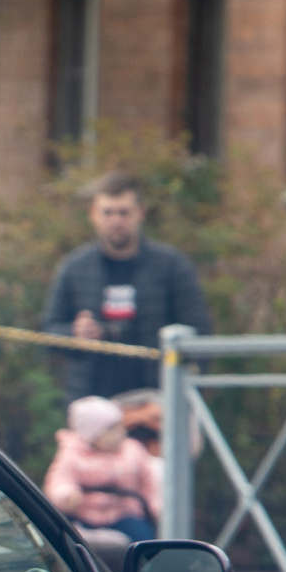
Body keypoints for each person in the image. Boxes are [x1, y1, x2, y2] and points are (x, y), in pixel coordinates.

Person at [41, 171, 213, 401]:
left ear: (140, 213)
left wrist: (183, 391)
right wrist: (74, 333)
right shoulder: (74, 267)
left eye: (123, 213)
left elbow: (199, 332)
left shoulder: (172, 266)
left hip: (157, 402)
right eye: (108, 212)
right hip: (92, 405)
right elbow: (47, 331)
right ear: (93, 214)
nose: (115, 221)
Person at [44, 395, 162, 543]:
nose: (121, 432)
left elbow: (149, 482)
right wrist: (67, 496)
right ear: (92, 434)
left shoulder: (133, 450)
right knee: (68, 539)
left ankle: (143, 561)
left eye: (120, 426)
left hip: (125, 514)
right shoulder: (73, 453)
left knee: (142, 537)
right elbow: (60, 479)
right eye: (111, 429)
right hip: (84, 516)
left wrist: (156, 507)